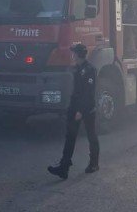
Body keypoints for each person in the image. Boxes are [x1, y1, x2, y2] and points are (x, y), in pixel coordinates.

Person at [47, 43, 100, 179]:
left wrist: (81, 111)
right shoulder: (76, 68)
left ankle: (94, 163)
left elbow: (88, 93)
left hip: (87, 109)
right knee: (70, 136)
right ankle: (64, 167)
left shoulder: (89, 69)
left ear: (78, 54)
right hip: (75, 107)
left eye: (74, 53)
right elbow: (75, 91)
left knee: (91, 135)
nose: (72, 55)